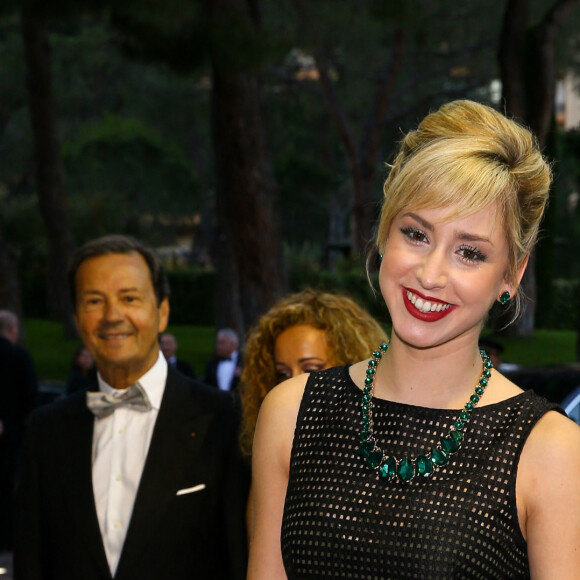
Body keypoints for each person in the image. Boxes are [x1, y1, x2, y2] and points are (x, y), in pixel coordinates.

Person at [248, 100, 580, 579]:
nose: (430, 274)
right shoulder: (289, 413)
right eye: (417, 234)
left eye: (469, 252)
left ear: (512, 273)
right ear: (385, 233)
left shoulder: (549, 451)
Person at [15, 235, 249, 580]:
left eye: (129, 298)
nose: (112, 315)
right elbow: (31, 564)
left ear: (163, 311)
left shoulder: (225, 419)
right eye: (94, 300)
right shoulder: (45, 429)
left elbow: (242, 560)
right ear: (78, 317)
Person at [239, 288, 387, 459]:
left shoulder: (382, 450)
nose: (292, 384)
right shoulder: (275, 448)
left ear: (353, 363)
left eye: (310, 370)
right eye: (283, 374)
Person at [0, 310, 37, 553]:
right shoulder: (19, 357)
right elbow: (30, 398)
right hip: (13, 433)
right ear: (12, 329)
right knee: (8, 486)